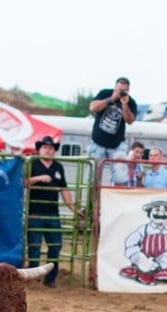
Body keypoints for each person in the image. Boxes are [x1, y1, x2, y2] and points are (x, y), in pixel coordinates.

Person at [25, 135, 80, 288]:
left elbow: (63, 188)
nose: (48, 150)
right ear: (39, 149)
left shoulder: (58, 166)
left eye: (50, 148)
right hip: (35, 211)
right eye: (45, 147)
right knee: (34, 246)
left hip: (52, 212)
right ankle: (33, 278)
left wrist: (72, 207)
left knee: (55, 245)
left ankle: (50, 278)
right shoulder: (32, 163)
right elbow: (23, 182)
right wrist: (38, 178)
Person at [87, 77, 137, 186]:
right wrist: (111, 99)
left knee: (120, 177)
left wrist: (124, 105)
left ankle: (117, 200)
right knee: (92, 179)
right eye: (119, 90)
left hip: (117, 145)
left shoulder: (131, 102)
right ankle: (94, 202)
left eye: (124, 90)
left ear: (128, 91)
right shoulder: (105, 93)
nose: (121, 93)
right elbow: (93, 107)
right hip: (97, 142)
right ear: (114, 87)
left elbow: (130, 120)